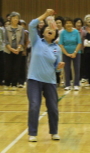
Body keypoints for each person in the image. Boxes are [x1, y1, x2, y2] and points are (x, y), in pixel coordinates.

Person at [26, 9, 64, 142]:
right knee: (34, 105)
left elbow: (57, 69)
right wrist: (46, 15)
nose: (50, 30)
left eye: (52, 30)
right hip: (34, 80)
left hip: (50, 81)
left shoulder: (57, 48)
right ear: (43, 32)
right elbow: (31, 25)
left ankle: (54, 132)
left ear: (54, 34)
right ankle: (32, 133)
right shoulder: (36, 41)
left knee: (53, 107)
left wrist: (59, 68)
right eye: (47, 28)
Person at [3, 12, 26, 90]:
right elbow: (5, 40)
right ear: (11, 19)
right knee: (8, 67)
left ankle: (14, 83)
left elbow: (22, 40)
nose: (15, 19)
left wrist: (18, 48)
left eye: (17, 18)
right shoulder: (7, 28)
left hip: (18, 51)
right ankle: (7, 83)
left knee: (17, 67)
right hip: (8, 51)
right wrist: (11, 49)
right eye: (14, 18)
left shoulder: (21, 28)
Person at [59, 17, 82, 91]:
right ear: (64, 25)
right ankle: (67, 84)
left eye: (70, 23)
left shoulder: (76, 32)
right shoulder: (62, 32)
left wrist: (75, 52)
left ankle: (76, 84)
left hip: (76, 53)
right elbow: (61, 44)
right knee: (66, 69)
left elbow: (79, 43)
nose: (68, 24)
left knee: (77, 69)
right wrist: (66, 53)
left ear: (72, 24)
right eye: (67, 23)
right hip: (65, 53)